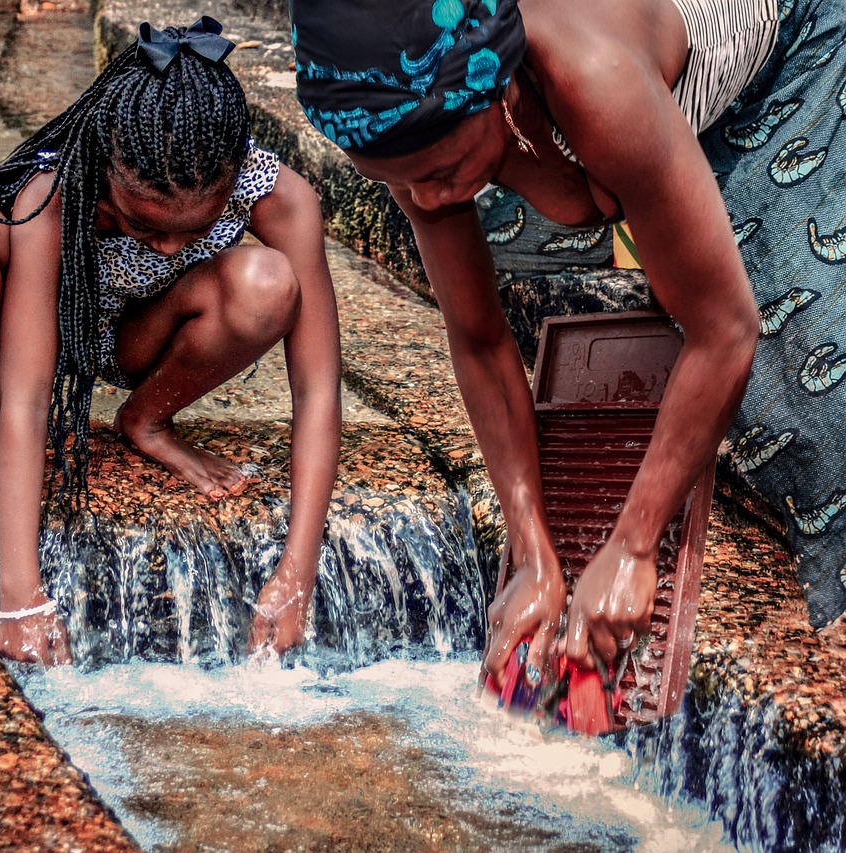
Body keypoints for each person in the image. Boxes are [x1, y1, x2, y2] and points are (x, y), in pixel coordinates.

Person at [289, 0, 846, 692]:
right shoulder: (409, 128)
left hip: (785, 44)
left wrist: (635, 547)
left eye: (441, 171)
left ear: (498, 89)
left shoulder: (597, 83)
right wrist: (531, 553)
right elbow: (480, 337)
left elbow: (725, 330)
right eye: (395, 181)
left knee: (807, 380)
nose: (422, 201)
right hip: (609, 124)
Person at [0, 17, 342, 666]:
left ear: (235, 175)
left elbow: (317, 388)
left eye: (193, 230)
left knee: (269, 279)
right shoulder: (57, 186)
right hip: (45, 333)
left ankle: (145, 419)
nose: (172, 247)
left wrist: (298, 573)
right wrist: (21, 598)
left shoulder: (281, 197)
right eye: (145, 226)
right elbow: (33, 397)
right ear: (112, 170)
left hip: (143, 337)